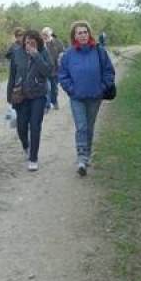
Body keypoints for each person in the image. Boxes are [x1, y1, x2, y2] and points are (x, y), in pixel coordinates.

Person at [58, 20, 115, 177]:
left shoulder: (99, 51)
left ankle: (87, 155)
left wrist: (102, 87)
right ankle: (81, 158)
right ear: (74, 36)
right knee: (81, 127)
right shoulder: (68, 54)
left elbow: (109, 72)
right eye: (79, 33)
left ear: (89, 34)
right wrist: (71, 89)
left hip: (95, 97)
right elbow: (62, 75)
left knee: (89, 127)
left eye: (85, 32)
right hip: (77, 97)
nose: (82, 35)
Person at [7, 30, 52, 171]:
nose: (28, 45)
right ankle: (26, 146)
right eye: (26, 42)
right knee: (21, 126)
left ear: (37, 42)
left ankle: (33, 158)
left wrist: (36, 56)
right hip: (21, 96)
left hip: (38, 95)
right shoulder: (17, 54)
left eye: (32, 42)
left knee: (35, 126)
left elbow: (48, 71)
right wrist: (10, 97)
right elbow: (12, 76)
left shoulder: (43, 53)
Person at [41, 26, 64, 110]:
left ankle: (54, 101)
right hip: (44, 71)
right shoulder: (40, 44)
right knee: (47, 88)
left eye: (46, 34)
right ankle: (47, 105)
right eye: (43, 34)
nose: (44, 36)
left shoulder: (57, 43)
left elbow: (62, 54)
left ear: (50, 34)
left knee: (54, 89)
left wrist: (60, 63)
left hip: (55, 70)